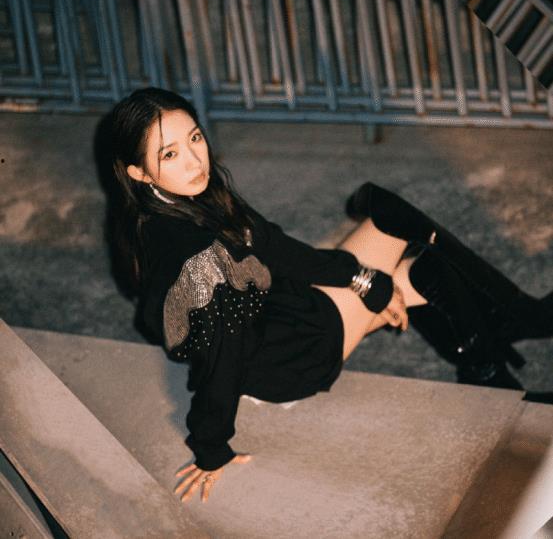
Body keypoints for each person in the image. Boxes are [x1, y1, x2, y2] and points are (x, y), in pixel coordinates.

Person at [109, 87, 553, 505]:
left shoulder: (179, 200)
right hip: (294, 354)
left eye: (195, 138)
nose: (194, 161)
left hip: (278, 311)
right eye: (170, 154)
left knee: (419, 263)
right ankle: (507, 335)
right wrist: (211, 449)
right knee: (394, 221)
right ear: (139, 172)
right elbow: (223, 359)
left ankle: (493, 352)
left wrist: (363, 279)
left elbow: (278, 250)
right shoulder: (199, 263)